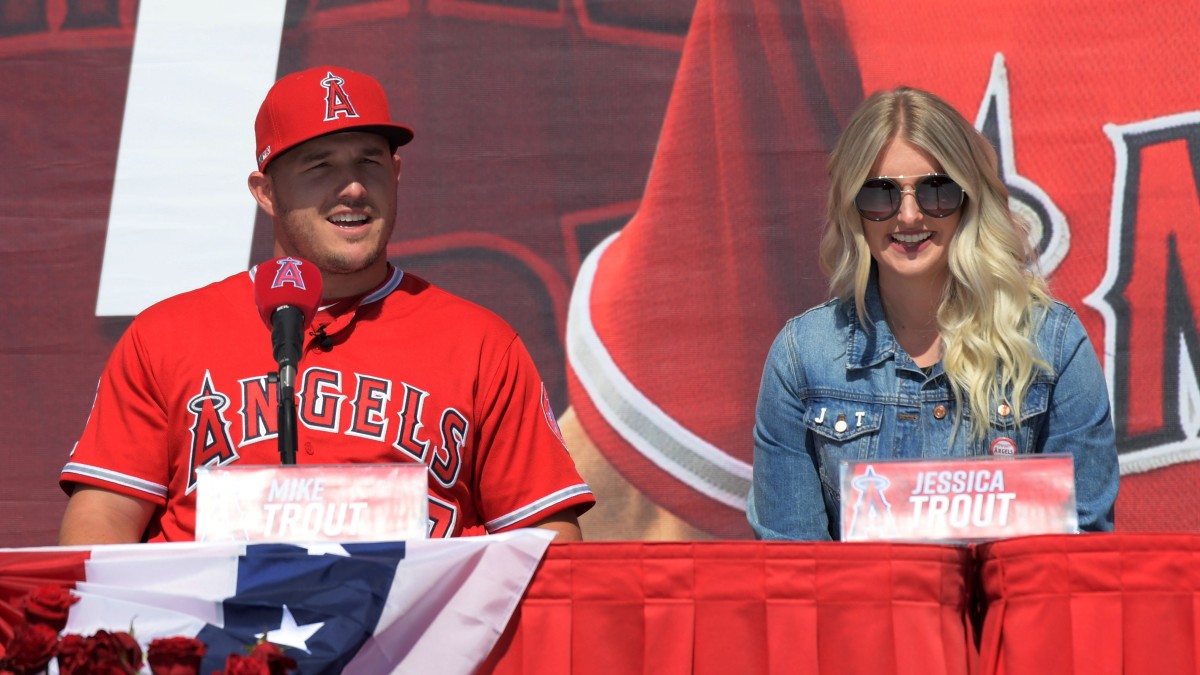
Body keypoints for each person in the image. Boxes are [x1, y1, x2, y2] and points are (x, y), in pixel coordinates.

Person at [58, 65, 594, 544]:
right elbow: (100, 523)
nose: (355, 188)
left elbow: (548, 542)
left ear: (398, 174)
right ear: (265, 192)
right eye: (320, 166)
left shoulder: (480, 344)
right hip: (218, 648)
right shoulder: (167, 335)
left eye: (370, 161)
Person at [747, 86, 1119, 541]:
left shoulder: (1052, 346)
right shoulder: (803, 358)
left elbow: (1077, 560)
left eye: (935, 190)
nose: (907, 215)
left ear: (968, 198)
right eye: (880, 195)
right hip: (861, 614)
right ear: (853, 210)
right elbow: (797, 572)